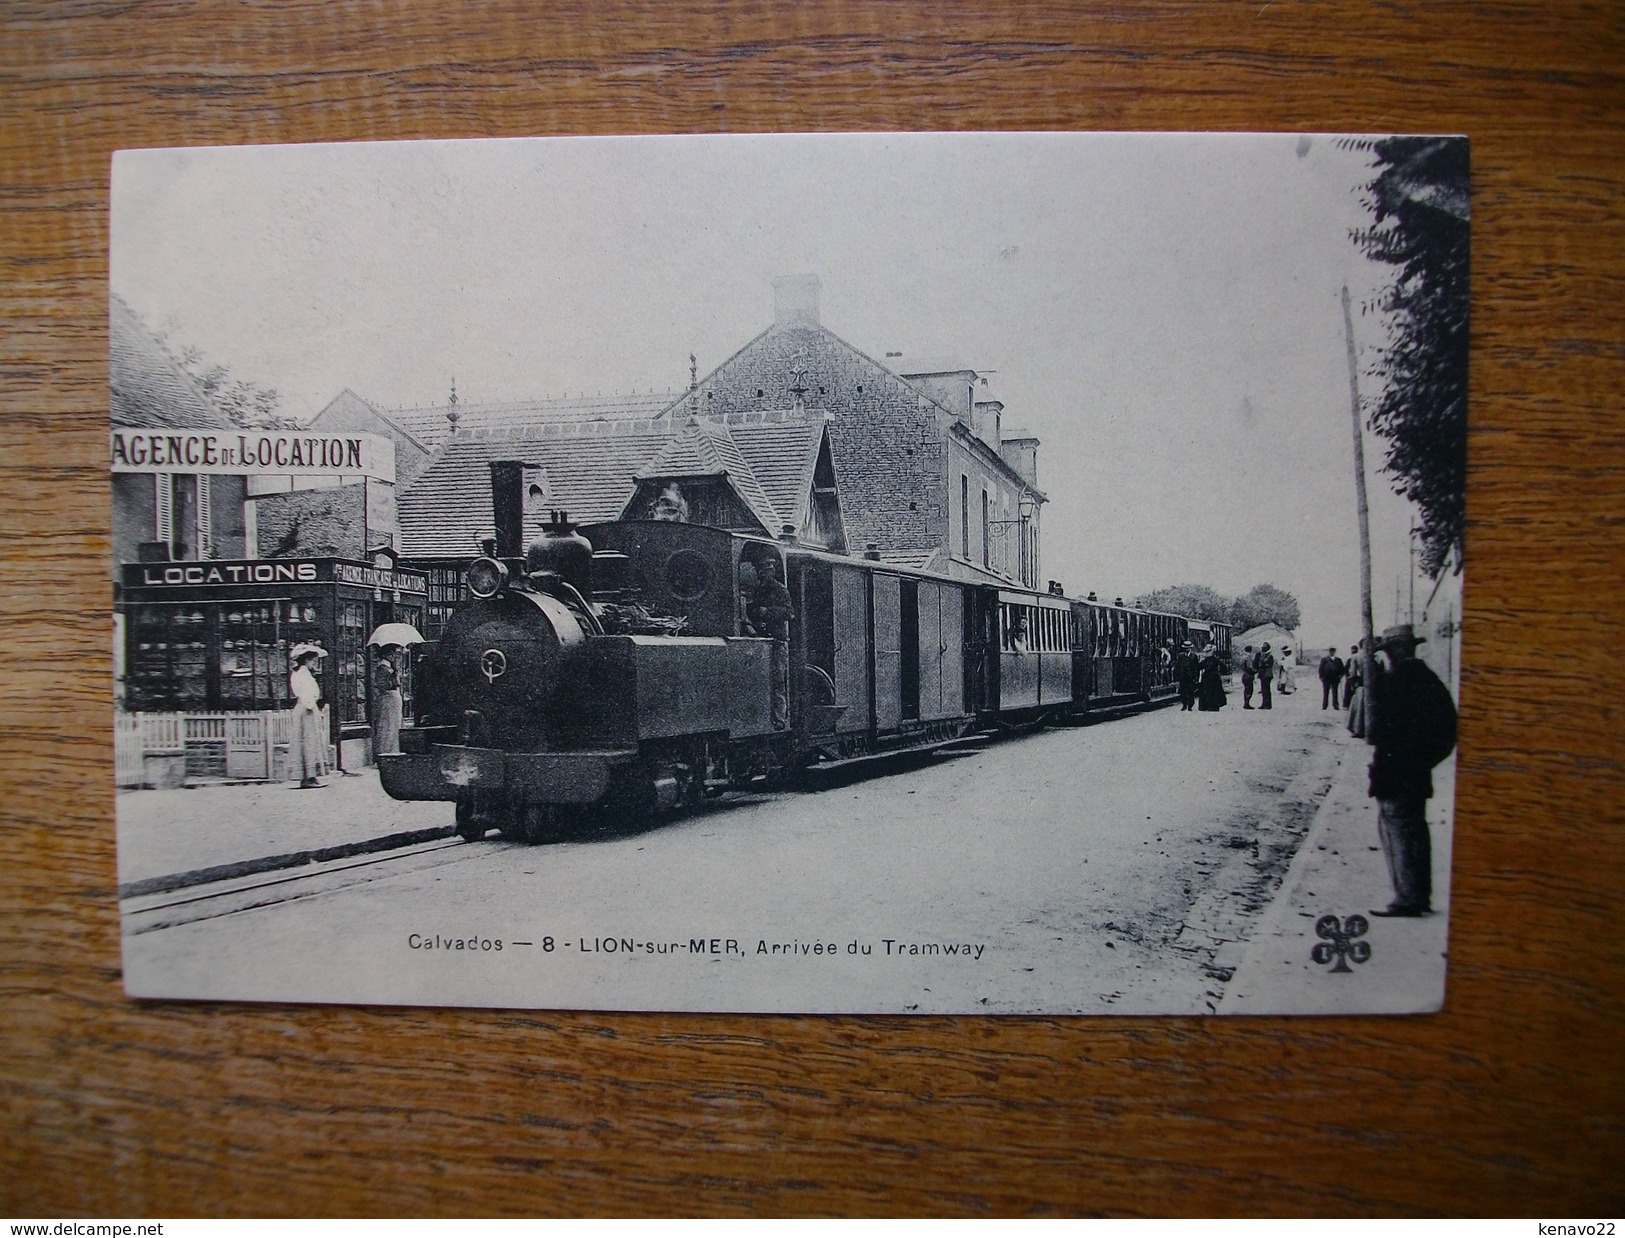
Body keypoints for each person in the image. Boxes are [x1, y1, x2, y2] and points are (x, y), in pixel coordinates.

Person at [1366, 624, 1458, 917]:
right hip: (1412, 771)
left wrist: (1415, 758)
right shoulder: (1426, 678)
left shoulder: (1401, 680)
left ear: (1399, 650)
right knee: (1414, 831)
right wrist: (1426, 760)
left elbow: (1384, 727)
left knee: (1399, 831)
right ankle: (1418, 894)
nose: (1389, 656)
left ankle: (1407, 897)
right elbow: (1448, 727)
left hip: (1397, 772)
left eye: (1391, 650)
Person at [742, 555, 795, 729]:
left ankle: (780, 718)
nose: (763, 574)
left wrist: (767, 612)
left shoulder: (780, 590)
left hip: (777, 641)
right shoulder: (758, 591)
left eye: (767, 570)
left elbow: (789, 613)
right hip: (763, 639)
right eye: (761, 570)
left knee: (778, 680)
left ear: (771, 571)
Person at [288, 643, 327, 789]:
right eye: (312, 661)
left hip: (304, 707)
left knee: (308, 741)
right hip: (306, 708)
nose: (313, 664)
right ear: (306, 661)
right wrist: (311, 703)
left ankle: (309, 776)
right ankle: (308, 776)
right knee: (309, 741)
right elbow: (306, 693)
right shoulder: (302, 675)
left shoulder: (301, 674)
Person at [372, 645, 404, 757]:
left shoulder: (390, 667)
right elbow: (382, 685)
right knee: (387, 724)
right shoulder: (383, 667)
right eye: (391, 654)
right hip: (388, 697)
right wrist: (393, 679)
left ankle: (392, 750)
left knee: (393, 724)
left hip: (393, 698)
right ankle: (385, 751)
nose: (394, 656)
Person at [1175, 641, 1199, 711]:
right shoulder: (1181, 656)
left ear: (1190, 648)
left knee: (1190, 691)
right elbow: (1178, 666)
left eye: (1188, 648)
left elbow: (1196, 667)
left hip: (1190, 677)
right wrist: (1177, 675)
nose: (1187, 649)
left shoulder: (1194, 656)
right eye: (1185, 648)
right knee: (1183, 691)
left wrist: (1196, 677)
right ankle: (1184, 704)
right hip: (1183, 676)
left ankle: (1190, 706)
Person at [1256, 643, 1275, 710]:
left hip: (1267, 674)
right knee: (1264, 690)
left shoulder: (1269, 655)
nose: (1262, 648)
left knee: (1266, 690)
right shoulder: (1264, 655)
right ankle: (1264, 704)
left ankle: (1267, 704)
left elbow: (1264, 662)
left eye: (1264, 647)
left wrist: (1260, 663)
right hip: (1263, 674)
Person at [1344, 643, 1364, 709]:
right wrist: (1347, 676)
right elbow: (1346, 669)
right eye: (1352, 651)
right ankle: (1346, 705)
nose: (1353, 652)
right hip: (1351, 677)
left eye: (1354, 650)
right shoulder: (1349, 659)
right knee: (1348, 691)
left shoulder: (1355, 657)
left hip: (1356, 677)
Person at [1240, 644, 1256, 709]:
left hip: (1244, 674)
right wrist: (1255, 671)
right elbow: (1249, 667)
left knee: (1246, 689)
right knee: (1249, 689)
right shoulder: (1248, 657)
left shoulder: (1243, 656)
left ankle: (1246, 703)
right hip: (1248, 675)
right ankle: (1247, 703)